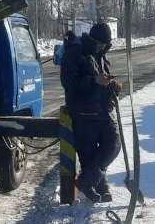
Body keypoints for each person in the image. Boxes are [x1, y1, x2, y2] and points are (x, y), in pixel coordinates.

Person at [60, 22, 122, 203]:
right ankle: (102, 187)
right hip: (83, 114)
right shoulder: (74, 52)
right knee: (89, 156)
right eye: (100, 43)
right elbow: (68, 83)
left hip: (102, 111)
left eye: (105, 44)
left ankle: (88, 182)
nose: (102, 47)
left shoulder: (101, 55)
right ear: (92, 38)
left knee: (113, 144)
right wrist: (94, 80)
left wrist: (112, 89)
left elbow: (101, 82)